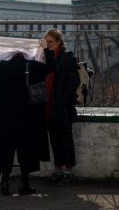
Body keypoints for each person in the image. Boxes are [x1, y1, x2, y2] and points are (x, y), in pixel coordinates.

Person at [0, 35, 51, 196]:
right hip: (27, 116)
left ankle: (5, 184)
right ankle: (24, 183)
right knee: (26, 150)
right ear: (25, 54)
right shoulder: (34, 67)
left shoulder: (1, 67)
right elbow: (51, 67)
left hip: (4, 117)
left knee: (5, 149)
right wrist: (46, 48)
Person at [40, 28, 81, 186]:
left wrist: (64, 100)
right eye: (46, 42)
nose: (48, 44)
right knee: (55, 140)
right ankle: (58, 169)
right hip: (49, 106)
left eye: (51, 42)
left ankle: (69, 172)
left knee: (65, 140)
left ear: (59, 42)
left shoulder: (67, 57)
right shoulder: (46, 57)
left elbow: (74, 81)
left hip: (62, 107)